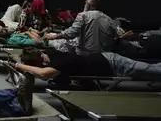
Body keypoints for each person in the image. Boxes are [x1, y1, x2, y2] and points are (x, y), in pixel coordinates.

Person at [14, 48, 161, 83]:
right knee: (150, 69)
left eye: (42, 60)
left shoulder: (59, 60)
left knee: (151, 71)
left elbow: (43, 74)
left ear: (42, 53)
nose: (45, 63)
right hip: (106, 61)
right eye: (41, 63)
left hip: (112, 62)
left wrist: (20, 66)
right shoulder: (51, 54)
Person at [44, 0, 118, 55]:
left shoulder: (83, 15)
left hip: (85, 54)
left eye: (85, 3)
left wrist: (54, 37)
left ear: (88, 5)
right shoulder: (109, 19)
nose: (84, 5)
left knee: (58, 45)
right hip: (104, 56)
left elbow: (71, 33)